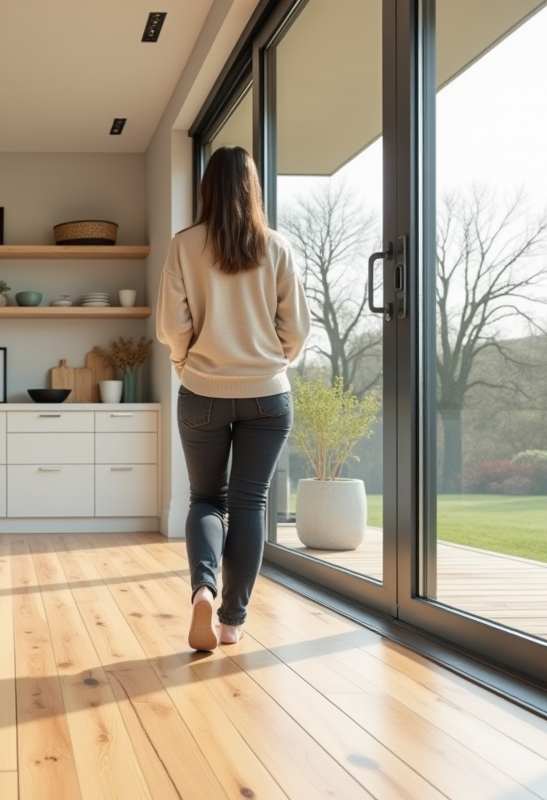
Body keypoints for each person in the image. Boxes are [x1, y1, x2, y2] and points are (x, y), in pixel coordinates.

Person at [156, 145, 310, 651]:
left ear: (207, 189)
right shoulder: (277, 247)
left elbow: (171, 327)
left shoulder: (184, 246)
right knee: (250, 503)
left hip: (201, 391)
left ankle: (203, 588)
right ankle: (230, 622)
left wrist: (186, 364)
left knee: (205, 499)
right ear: (253, 188)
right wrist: (272, 363)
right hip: (268, 396)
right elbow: (297, 330)